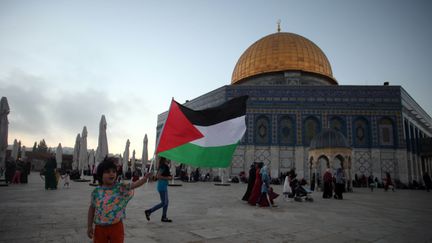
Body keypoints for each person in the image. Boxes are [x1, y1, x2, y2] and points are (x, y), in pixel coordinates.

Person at [87, 157, 150, 242]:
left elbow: (133, 185)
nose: (112, 174)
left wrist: (144, 179)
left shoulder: (120, 187)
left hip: (116, 225)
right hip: (100, 226)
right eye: (107, 172)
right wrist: (89, 226)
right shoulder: (96, 191)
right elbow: (92, 208)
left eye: (113, 171)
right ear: (100, 175)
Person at [144, 157, 173, 223]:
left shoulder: (163, 166)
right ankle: (149, 211)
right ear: (165, 159)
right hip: (162, 186)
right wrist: (167, 178)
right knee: (164, 202)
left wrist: (169, 177)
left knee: (166, 202)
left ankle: (164, 217)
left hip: (163, 186)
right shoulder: (163, 166)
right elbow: (158, 176)